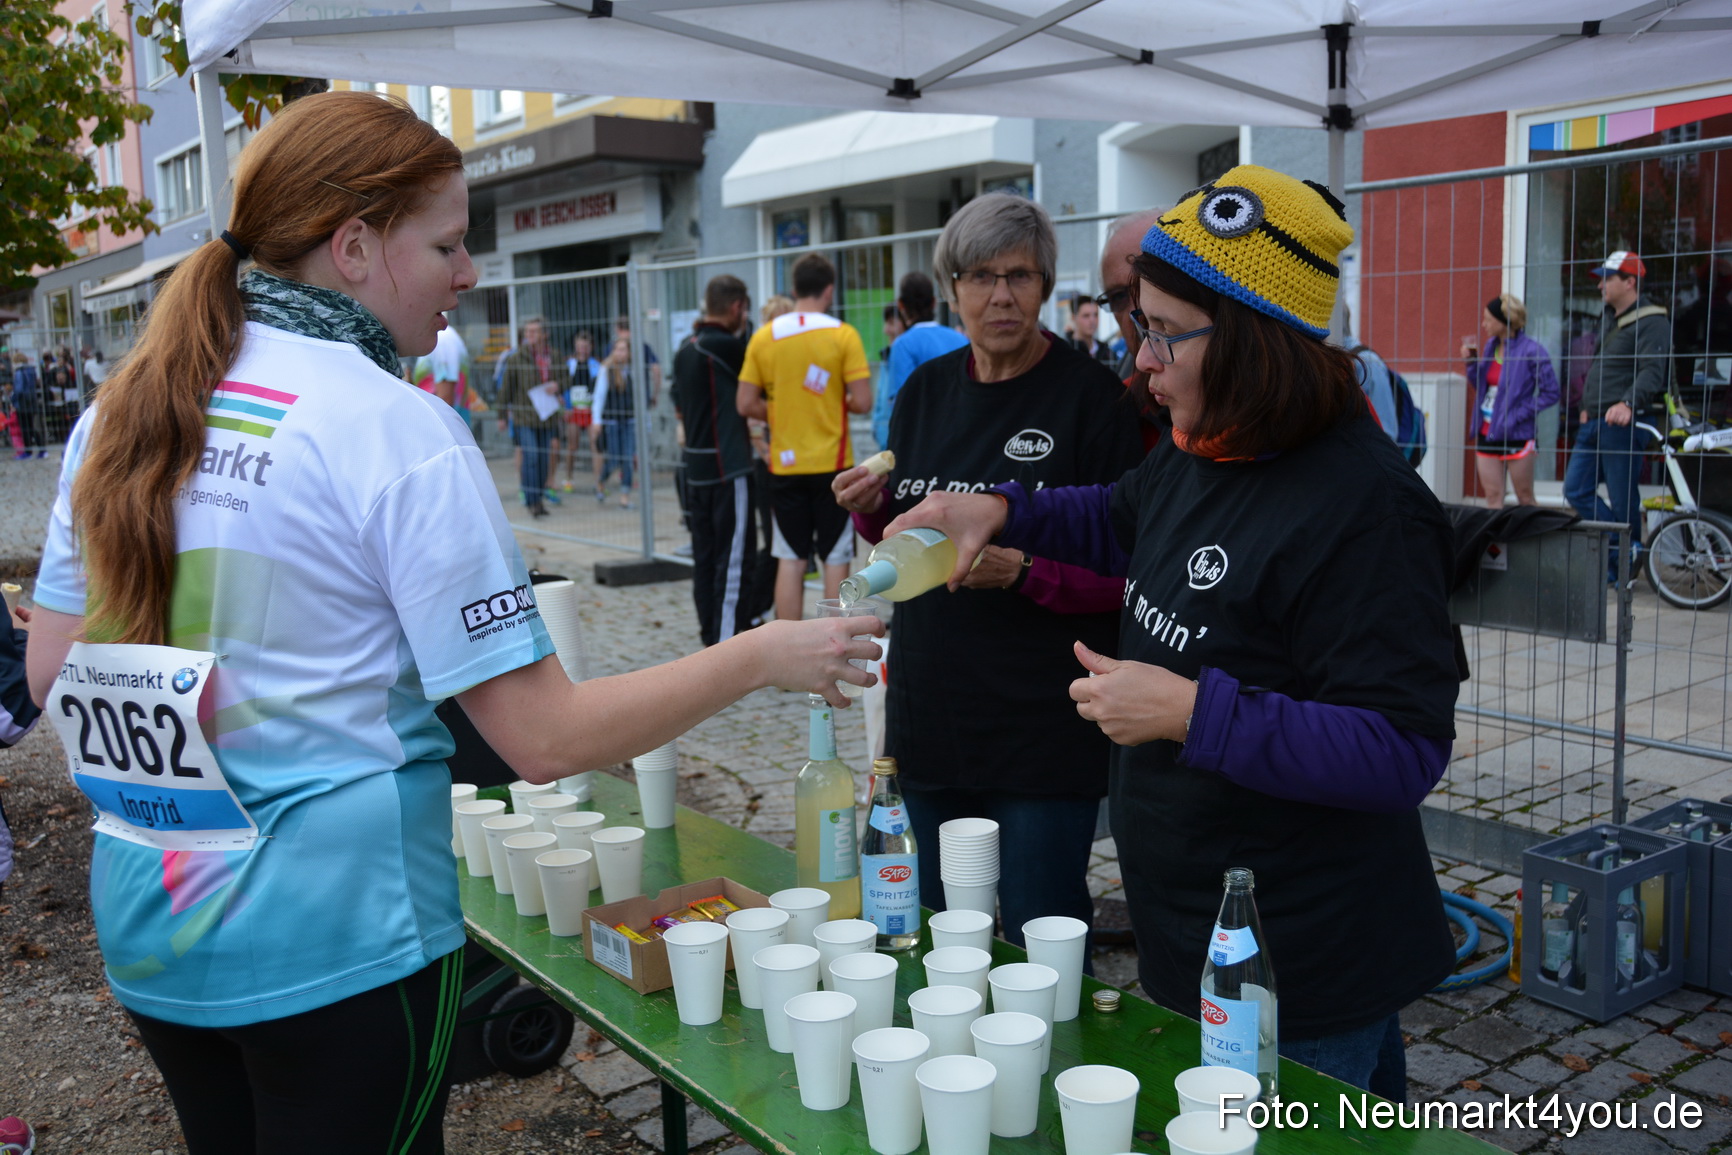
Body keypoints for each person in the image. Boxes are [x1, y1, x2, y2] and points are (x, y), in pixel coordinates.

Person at [21, 91, 880, 1155]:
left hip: (153, 922)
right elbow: (545, 739)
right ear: (353, 247)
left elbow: (56, 667)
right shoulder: (397, 426)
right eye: (446, 243)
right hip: (341, 939)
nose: (468, 272)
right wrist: (758, 653)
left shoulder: (125, 407)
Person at [883, 167, 1459, 1099]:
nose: (1139, 358)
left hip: (1301, 959)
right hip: (1188, 927)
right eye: (1136, 323)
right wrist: (998, 506)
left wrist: (1194, 711)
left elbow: (1402, 748)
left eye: (1162, 331)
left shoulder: (1366, 507)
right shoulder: (1209, 441)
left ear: (1248, 341)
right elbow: (1114, 512)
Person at [832, 193, 1144, 947]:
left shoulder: (1093, 402)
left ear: (1046, 286)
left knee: (1046, 937)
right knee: (936, 932)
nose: (1000, 295)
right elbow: (908, 534)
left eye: (1021, 275)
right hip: (933, 712)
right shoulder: (925, 392)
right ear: (952, 288)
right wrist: (870, 511)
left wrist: (1025, 570)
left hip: (1041, 728)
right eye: (980, 276)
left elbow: (1135, 573)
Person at [738, 252, 872, 620]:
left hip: (784, 465)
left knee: (790, 557)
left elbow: (745, 403)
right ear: (828, 291)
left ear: (794, 289)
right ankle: (834, 646)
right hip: (835, 466)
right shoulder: (843, 334)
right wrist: (830, 403)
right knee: (836, 556)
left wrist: (781, 412)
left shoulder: (765, 338)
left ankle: (788, 661)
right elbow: (863, 401)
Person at [1565, 251, 1671, 580]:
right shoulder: (1610, 318)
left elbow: (1654, 371)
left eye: (1607, 278)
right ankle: (1625, 548)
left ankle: (1621, 567)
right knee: (1575, 489)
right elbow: (1600, 369)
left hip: (1624, 422)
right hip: (1596, 420)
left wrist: (1627, 403)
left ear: (1630, 282)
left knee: (1622, 495)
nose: (1600, 285)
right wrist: (1586, 408)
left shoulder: (1653, 321)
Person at [672, 274, 760, 645]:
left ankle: (711, 633)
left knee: (706, 560)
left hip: (694, 468)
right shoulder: (726, 346)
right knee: (735, 560)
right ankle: (725, 646)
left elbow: (678, 405)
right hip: (730, 469)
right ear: (738, 307)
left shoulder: (685, 347)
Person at [1461, 293, 1559, 508]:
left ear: (1505, 320)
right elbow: (1483, 387)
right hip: (1487, 432)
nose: (1483, 324)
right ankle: (1497, 543)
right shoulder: (1490, 347)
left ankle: (1530, 542)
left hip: (1518, 434)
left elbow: (1551, 393)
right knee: (1493, 498)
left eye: (1488, 319)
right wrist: (1471, 364)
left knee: (1525, 498)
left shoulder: (1532, 351)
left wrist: (1518, 414)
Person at [871, 271, 968, 450]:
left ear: (901, 305)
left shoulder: (902, 345)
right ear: (933, 302)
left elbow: (901, 404)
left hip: (926, 442)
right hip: (963, 434)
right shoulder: (960, 339)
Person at [497, 315, 568, 518]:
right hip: (524, 417)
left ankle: (539, 499)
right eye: (527, 331)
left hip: (547, 416)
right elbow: (506, 388)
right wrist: (502, 415)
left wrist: (558, 385)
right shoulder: (517, 358)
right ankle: (532, 500)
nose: (529, 335)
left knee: (544, 459)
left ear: (545, 334)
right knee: (532, 457)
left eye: (534, 331)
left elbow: (567, 377)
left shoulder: (554, 356)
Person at [593, 335, 641, 508]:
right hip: (612, 421)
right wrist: (596, 420)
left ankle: (624, 496)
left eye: (623, 349)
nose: (620, 353)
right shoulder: (606, 370)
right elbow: (599, 396)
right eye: (617, 349)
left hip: (629, 420)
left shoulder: (633, 370)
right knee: (613, 459)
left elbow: (638, 398)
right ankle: (600, 481)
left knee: (627, 458)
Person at [565, 330, 601, 488]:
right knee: (572, 446)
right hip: (574, 411)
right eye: (580, 346)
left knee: (596, 446)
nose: (583, 349)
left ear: (590, 347)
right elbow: (565, 387)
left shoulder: (597, 365)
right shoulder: (569, 364)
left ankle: (599, 482)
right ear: (575, 346)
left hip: (591, 411)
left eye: (585, 346)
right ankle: (568, 478)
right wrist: (566, 407)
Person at [1068, 293, 1117, 367]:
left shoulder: (1107, 352)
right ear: (1073, 318)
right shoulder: (1066, 351)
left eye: (1095, 315)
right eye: (1086, 316)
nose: (1092, 320)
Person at [10, 354, 43, 458]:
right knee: (32, 428)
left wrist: (13, 399)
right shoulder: (31, 371)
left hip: (22, 403)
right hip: (31, 402)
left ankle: (28, 452)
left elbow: (19, 389)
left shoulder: (19, 372)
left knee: (25, 428)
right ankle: (42, 449)